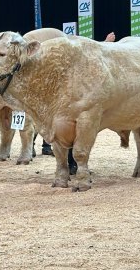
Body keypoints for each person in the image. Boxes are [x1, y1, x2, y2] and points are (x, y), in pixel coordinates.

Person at [40, 31, 117, 174]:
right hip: (66, 102)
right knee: (69, 131)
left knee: (72, 131)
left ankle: (70, 163)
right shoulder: (64, 62)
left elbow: (93, 55)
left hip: (70, 101)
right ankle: (68, 163)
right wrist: (106, 42)